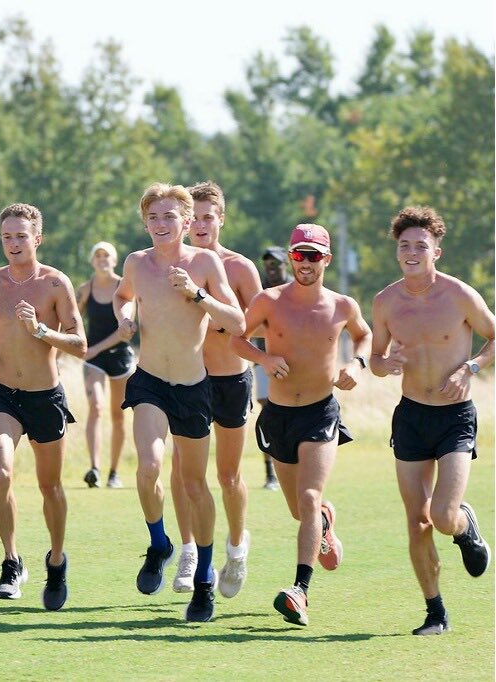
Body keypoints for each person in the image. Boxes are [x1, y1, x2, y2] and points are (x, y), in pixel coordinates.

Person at [114, 183, 244, 622]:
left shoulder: (204, 263)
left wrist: (198, 294)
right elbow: (123, 296)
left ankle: (204, 578)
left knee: (193, 485)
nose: (161, 224)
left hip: (192, 387)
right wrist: (126, 315)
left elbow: (238, 321)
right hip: (149, 381)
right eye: (154, 217)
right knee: (148, 467)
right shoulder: (136, 262)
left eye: (170, 217)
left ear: (187, 222)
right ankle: (159, 543)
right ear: (145, 222)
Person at [231, 223, 371, 627]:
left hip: (319, 412)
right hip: (278, 417)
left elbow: (364, 336)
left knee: (309, 497)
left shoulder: (342, 305)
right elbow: (236, 339)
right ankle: (324, 523)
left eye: (313, 256)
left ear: (326, 259)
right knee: (300, 510)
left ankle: (299, 591)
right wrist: (264, 360)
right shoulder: (268, 301)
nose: (305, 263)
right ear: (291, 257)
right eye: (298, 255)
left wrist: (355, 365)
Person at [369, 206, 493, 636]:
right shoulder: (385, 301)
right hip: (411, 417)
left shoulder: (459, 295)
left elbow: (494, 337)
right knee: (416, 520)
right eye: (404, 245)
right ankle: (435, 612)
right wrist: (387, 364)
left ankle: (463, 526)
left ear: (436, 251)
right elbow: (376, 361)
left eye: (421, 245)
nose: (412, 251)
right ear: (397, 251)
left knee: (441, 514)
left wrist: (471, 368)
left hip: (455, 418)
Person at [0, 202, 86, 611]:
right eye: (7, 236)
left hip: (45, 397)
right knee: (0, 469)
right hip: (3, 393)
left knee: (49, 487)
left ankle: (56, 561)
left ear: (37, 239)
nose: (14, 243)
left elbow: (80, 343)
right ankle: (11, 560)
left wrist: (40, 330)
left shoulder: (56, 284)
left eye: (21, 236)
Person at [169, 182, 260, 599]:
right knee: (183, 473)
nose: (202, 225)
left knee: (227, 474)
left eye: (210, 217)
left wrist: (218, 316)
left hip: (230, 379)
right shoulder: (172, 264)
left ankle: (237, 548)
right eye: (196, 218)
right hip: (187, 379)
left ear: (221, 219)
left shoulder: (239, 268)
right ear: (185, 222)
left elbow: (257, 323)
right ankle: (189, 550)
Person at [78, 241, 134, 490]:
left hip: (120, 356)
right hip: (93, 360)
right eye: (97, 255)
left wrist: (95, 348)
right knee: (96, 407)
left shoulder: (125, 288)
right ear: (92, 260)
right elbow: (72, 318)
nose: (102, 259)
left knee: (117, 414)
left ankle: (114, 472)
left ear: (114, 260)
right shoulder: (85, 289)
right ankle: (94, 468)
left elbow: (126, 332)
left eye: (107, 255)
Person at [253, 246, 292, 490]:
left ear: (285, 264)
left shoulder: (294, 287)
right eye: (268, 265)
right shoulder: (258, 289)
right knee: (268, 410)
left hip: (292, 358)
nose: (272, 269)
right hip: (263, 358)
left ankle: (291, 463)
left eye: (276, 264)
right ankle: (270, 472)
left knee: (291, 409)